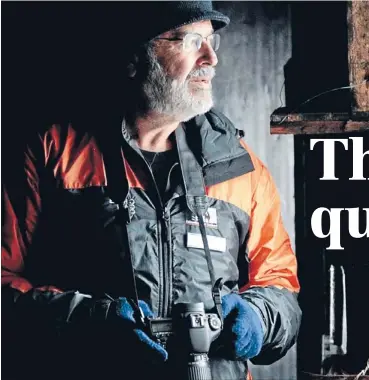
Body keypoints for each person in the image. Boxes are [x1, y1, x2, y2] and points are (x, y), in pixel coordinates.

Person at [1, 2, 301, 380]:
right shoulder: (55, 154)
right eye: (192, 41)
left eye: (212, 41)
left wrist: (261, 316)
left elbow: (279, 284)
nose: (210, 58)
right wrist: (88, 321)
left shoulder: (241, 168)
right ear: (135, 55)